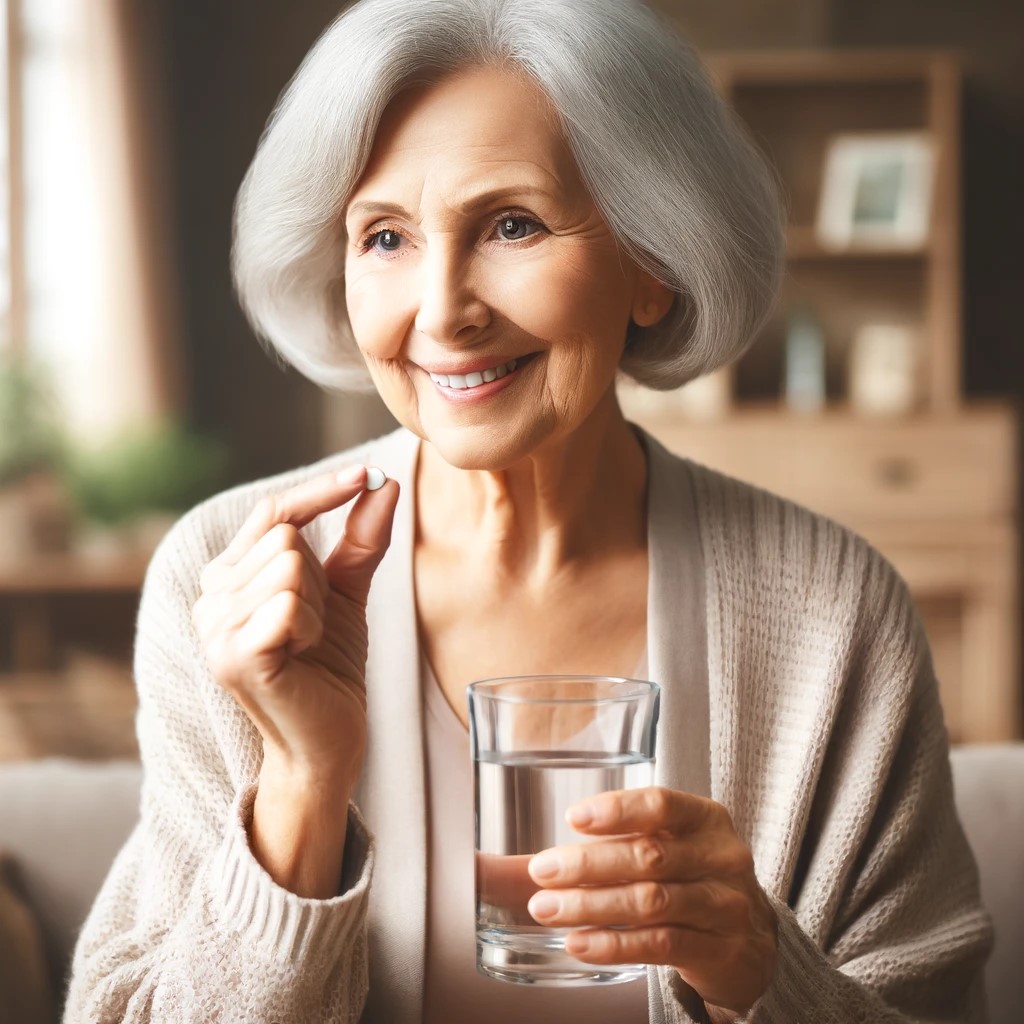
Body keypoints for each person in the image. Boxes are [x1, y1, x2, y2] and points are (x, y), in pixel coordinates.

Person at [64, 0, 993, 1021]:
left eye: (512, 224)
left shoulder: (831, 612)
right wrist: (301, 785)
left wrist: (759, 962)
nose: (442, 310)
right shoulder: (231, 576)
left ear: (652, 261)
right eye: (385, 237)